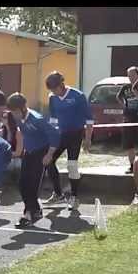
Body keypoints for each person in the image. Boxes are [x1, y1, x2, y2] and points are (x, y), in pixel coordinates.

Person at [5, 92, 60, 227]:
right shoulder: (17, 118)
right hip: (29, 152)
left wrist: (49, 154)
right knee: (22, 183)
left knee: (33, 185)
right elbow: (22, 132)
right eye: (12, 112)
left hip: (41, 152)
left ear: (23, 108)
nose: (14, 115)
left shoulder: (37, 119)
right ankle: (35, 210)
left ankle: (28, 214)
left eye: (16, 111)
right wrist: (22, 149)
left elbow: (55, 135)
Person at [43, 71, 94, 211]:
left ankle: (74, 197)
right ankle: (58, 194)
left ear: (61, 85)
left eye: (55, 89)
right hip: (60, 134)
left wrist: (88, 139)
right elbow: (53, 119)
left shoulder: (78, 96)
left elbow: (89, 119)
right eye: (51, 90)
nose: (53, 92)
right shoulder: (52, 97)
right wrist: (51, 136)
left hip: (75, 134)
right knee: (48, 160)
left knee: (72, 165)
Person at [117, 66, 138, 173]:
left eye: (132, 75)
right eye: (129, 75)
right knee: (129, 144)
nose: (130, 77)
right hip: (128, 118)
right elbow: (118, 97)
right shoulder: (126, 87)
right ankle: (132, 166)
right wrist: (124, 105)